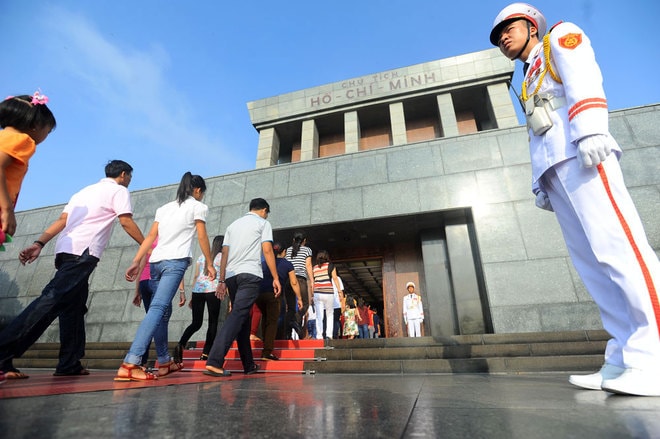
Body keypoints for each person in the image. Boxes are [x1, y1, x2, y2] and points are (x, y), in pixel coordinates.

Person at [490, 3, 660, 396]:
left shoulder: (559, 40)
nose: (502, 37)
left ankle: (654, 355)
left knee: (620, 250)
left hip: (584, 153)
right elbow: (539, 127)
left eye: (508, 28)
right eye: (497, 35)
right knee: (592, 265)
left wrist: (591, 130)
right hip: (558, 171)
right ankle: (622, 358)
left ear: (532, 26)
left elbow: (583, 77)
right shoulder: (528, 73)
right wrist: (540, 183)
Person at [0, 160, 143, 380]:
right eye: (130, 177)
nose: (129, 181)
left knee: (73, 308)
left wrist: (39, 243)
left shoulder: (82, 192)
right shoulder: (118, 190)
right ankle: (3, 353)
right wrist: (147, 245)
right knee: (50, 301)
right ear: (123, 175)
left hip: (65, 251)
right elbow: (126, 221)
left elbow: (62, 220)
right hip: (83, 253)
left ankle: (69, 362)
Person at [116, 172, 214, 381]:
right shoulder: (198, 206)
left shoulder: (164, 208)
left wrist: (136, 260)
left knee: (160, 311)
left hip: (156, 263)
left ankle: (164, 361)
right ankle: (131, 363)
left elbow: (151, 237)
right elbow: (202, 235)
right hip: (175, 262)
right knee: (158, 309)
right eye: (202, 193)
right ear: (198, 191)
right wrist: (210, 263)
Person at [204, 198, 281, 377]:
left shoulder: (233, 226)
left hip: (232, 276)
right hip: (250, 274)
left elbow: (224, 254)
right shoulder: (263, 223)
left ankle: (248, 364)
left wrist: (222, 280)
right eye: (267, 212)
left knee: (243, 319)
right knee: (238, 314)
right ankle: (215, 361)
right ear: (264, 210)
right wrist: (275, 278)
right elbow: (268, 250)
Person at [0, 91, 56, 240]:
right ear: (35, 125)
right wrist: (7, 210)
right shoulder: (23, 140)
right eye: (48, 131)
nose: (46, 136)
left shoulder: (3, 136)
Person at [174, 235, 224, 363]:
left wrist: (192, 295)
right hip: (212, 291)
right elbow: (225, 274)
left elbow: (196, 276)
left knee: (196, 323)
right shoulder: (222, 257)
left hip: (198, 292)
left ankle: (181, 344)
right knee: (213, 322)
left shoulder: (202, 257)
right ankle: (206, 353)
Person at [257, 242, 301, 361]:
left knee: (265, 318)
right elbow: (294, 282)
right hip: (273, 293)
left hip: (259, 293)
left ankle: (265, 343)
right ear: (284, 252)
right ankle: (267, 352)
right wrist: (300, 298)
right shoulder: (287, 264)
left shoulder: (264, 263)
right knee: (272, 321)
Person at [284, 231, 314, 339]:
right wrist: (312, 281)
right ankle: (295, 321)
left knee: (291, 307)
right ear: (304, 241)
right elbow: (308, 265)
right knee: (305, 304)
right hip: (300, 279)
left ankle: (287, 333)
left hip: (288, 280)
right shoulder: (307, 250)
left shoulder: (287, 250)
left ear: (293, 240)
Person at [312, 250, 343, 340]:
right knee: (330, 314)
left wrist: (311, 294)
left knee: (319, 316)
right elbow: (335, 279)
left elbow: (313, 282)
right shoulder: (330, 266)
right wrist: (340, 292)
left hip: (317, 293)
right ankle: (329, 335)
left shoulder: (314, 268)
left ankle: (319, 335)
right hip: (328, 292)